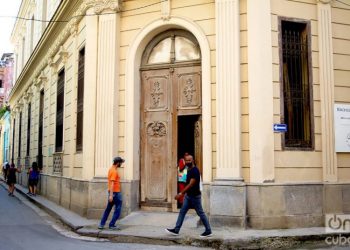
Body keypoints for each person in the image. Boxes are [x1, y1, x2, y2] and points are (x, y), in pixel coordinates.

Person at [166, 154, 212, 238]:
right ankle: (176, 230)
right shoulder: (189, 169)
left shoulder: (195, 170)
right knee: (182, 211)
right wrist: (185, 194)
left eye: (189, 160)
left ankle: (208, 230)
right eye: (186, 160)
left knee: (200, 213)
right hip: (188, 196)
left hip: (195, 196)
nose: (188, 162)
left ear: (193, 160)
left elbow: (191, 184)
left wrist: (180, 193)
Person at [98, 156, 124, 230]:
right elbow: (112, 183)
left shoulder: (111, 169)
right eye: (121, 163)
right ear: (118, 163)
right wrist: (111, 195)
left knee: (108, 209)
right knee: (118, 210)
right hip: (115, 193)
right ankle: (111, 225)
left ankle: (101, 224)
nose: (121, 164)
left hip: (112, 193)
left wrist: (110, 194)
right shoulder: (114, 171)